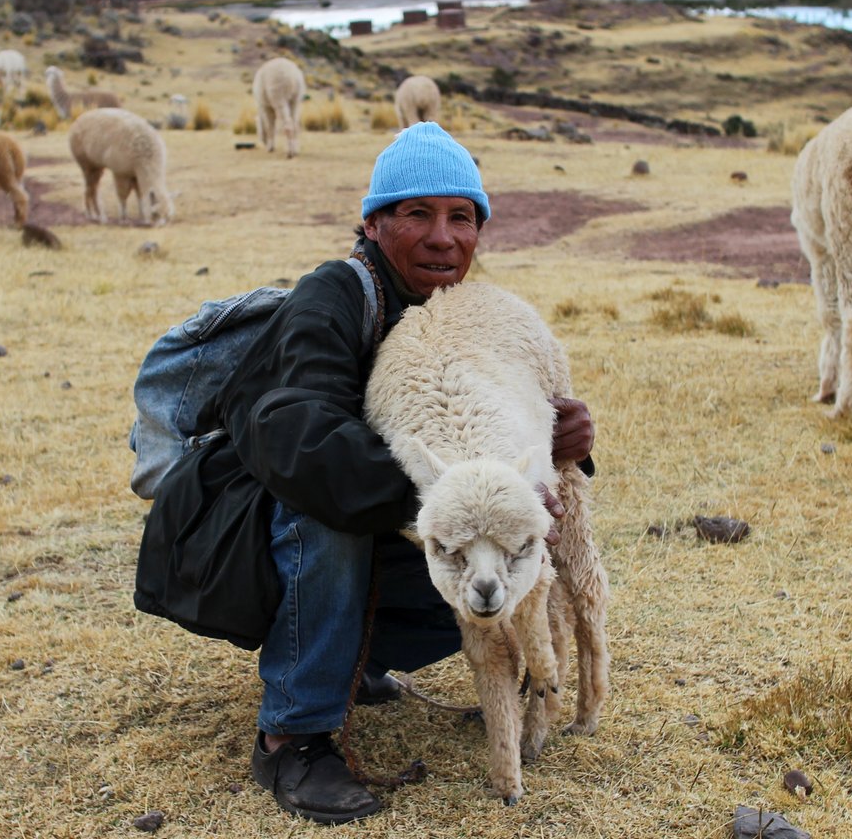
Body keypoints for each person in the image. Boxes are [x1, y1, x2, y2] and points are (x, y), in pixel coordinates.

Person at [133, 121, 595, 825]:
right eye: (418, 215)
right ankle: (293, 734)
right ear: (375, 224)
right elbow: (301, 445)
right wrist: (469, 488)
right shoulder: (332, 300)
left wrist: (560, 439)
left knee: (487, 567)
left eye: (461, 218)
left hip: (348, 513)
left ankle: (355, 658)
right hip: (230, 539)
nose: (444, 237)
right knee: (334, 515)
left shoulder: (451, 315)